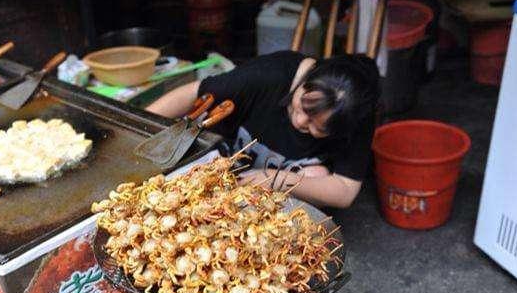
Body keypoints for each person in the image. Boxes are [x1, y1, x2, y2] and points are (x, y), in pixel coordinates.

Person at [147, 51, 381, 208]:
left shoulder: (354, 113)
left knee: (317, 176)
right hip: (225, 161)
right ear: (308, 80)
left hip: (286, 182)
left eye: (317, 127)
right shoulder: (271, 74)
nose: (300, 122)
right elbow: (193, 93)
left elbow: (345, 191)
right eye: (301, 107)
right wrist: (134, 126)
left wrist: (274, 180)